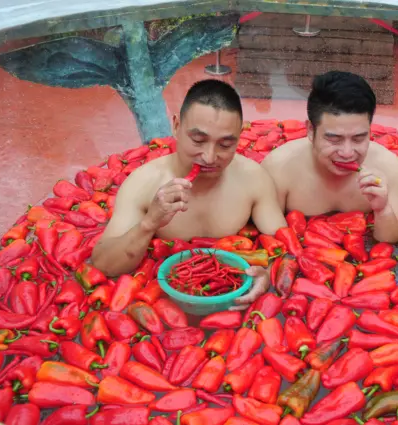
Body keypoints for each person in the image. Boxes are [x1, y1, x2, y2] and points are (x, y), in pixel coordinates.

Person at [92, 79, 287, 310]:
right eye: (198, 140)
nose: (210, 156)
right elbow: (103, 264)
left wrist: (268, 276)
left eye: (225, 144)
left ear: (239, 136)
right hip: (164, 302)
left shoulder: (253, 178)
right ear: (175, 126)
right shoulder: (142, 184)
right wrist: (149, 222)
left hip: (231, 299)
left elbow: (286, 251)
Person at [262, 71, 398, 243]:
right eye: (334, 139)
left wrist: (383, 210)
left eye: (358, 138)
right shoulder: (278, 169)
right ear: (310, 130)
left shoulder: (389, 168)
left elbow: (393, 242)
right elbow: (270, 240)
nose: (347, 153)